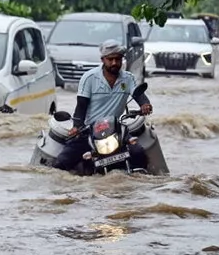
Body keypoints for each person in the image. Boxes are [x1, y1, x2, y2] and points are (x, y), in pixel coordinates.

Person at [53, 40, 152, 174]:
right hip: (90, 130)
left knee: (138, 153)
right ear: (102, 59)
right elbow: (81, 106)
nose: (114, 63)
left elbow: (139, 95)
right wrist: (76, 126)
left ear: (122, 59)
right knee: (61, 163)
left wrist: (145, 105)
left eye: (118, 59)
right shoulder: (89, 78)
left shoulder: (128, 78)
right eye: (110, 59)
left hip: (117, 129)